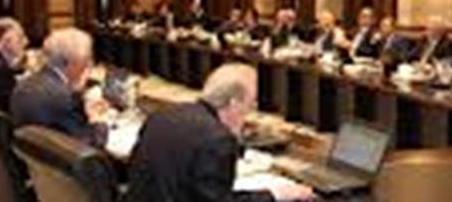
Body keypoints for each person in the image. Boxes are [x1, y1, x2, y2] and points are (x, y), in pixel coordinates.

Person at [124, 63, 313, 201]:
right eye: (250, 103)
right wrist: (274, 194)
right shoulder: (217, 139)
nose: (252, 110)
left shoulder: (163, 116)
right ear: (234, 103)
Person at [10, 28, 109, 147]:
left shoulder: (24, 84)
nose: (88, 66)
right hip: (54, 157)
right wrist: (99, 121)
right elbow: (85, 146)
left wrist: (78, 93)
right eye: (85, 61)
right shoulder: (63, 98)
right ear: (72, 62)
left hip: (32, 154)